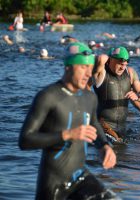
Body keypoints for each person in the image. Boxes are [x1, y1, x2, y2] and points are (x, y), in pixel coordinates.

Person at [19, 42, 118, 200]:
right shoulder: (48, 96)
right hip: (53, 184)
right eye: (82, 67)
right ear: (68, 66)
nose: (88, 74)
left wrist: (104, 146)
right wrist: (67, 134)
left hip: (80, 177)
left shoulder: (89, 97)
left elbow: (94, 125)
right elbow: (25, 140)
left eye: (90, 68)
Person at [92, 46, 140, 142]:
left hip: (121, 128)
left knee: (124, 154)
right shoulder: (101, 73)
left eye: (125, 64)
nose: (123, 67)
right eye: (120, 64)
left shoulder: (130, 73)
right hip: (103, 127)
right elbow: (101, 58)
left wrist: (137, 97)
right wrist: (110, 55)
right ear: (111, 60)